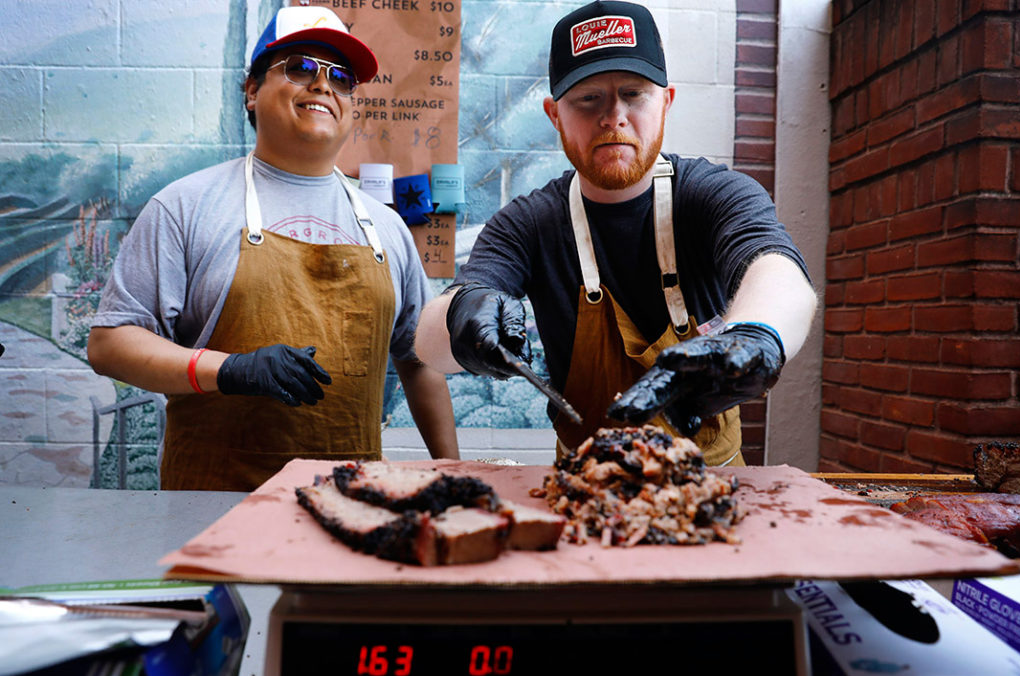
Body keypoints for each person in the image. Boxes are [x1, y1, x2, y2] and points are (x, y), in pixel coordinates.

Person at [415, 0, 816, 466]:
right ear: (554, 115)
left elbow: (779, 274)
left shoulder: (714, 195)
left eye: (633, 94)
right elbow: (428, 346)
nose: (613, 117)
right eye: (588, 98)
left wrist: (756, 335)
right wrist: (462, 312)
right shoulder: (527, 224)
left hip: (716, 483)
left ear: (666, 103)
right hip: (582, 485)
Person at [88, 6, 458, 491]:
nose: (323, 85)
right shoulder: (184, 206)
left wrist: (455, 474)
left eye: (341, 78)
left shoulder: (386, 228)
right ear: (251, 90)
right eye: (301, 67)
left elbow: (420, 362)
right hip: (210, 509)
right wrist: (229, 370)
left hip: (350, 505)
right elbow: (110, 345)